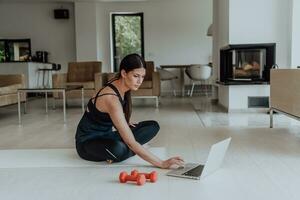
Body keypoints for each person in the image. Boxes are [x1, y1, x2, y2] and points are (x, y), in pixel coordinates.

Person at [75, 53, 184, 169]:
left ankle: (128, 150)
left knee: (152, 126)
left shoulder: (121, 86)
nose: (140, 81)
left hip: (107, 135)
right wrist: (161, 163)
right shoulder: (111, 98)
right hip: (88, 143)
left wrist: (124, 124)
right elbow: (131, 141)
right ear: (124, 73)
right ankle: (128, 150)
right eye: (136, 76)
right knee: (118, 148)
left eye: (142, 77)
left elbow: (116, 116)